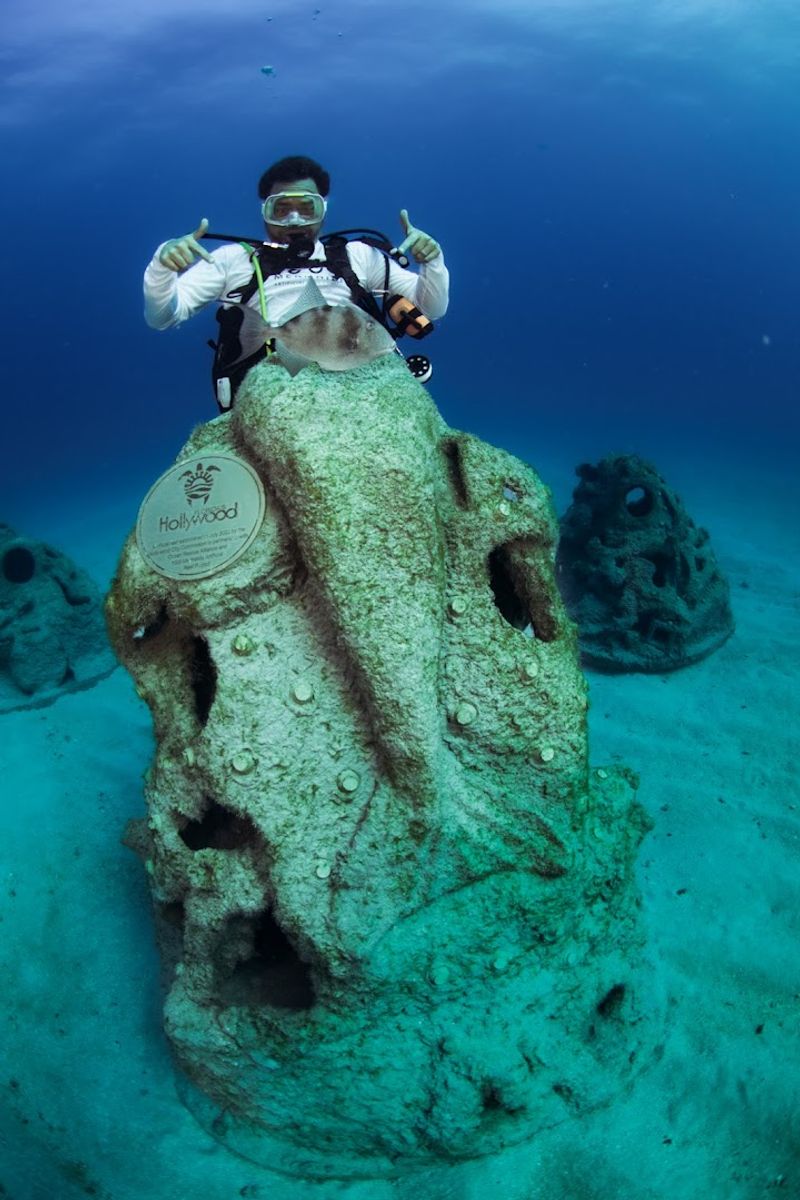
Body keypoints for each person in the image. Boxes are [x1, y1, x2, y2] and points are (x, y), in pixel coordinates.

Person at [143, 155, 449, 403]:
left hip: (363, 377)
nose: (294, 220)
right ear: (265, 212)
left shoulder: (356, 255)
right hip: (275, 387)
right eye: (281, 209)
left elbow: (430, 308)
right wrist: (163, 268)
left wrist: (432, 261)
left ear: (323, 210)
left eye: (307, 208)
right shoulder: (232, 260)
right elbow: (164, 317)